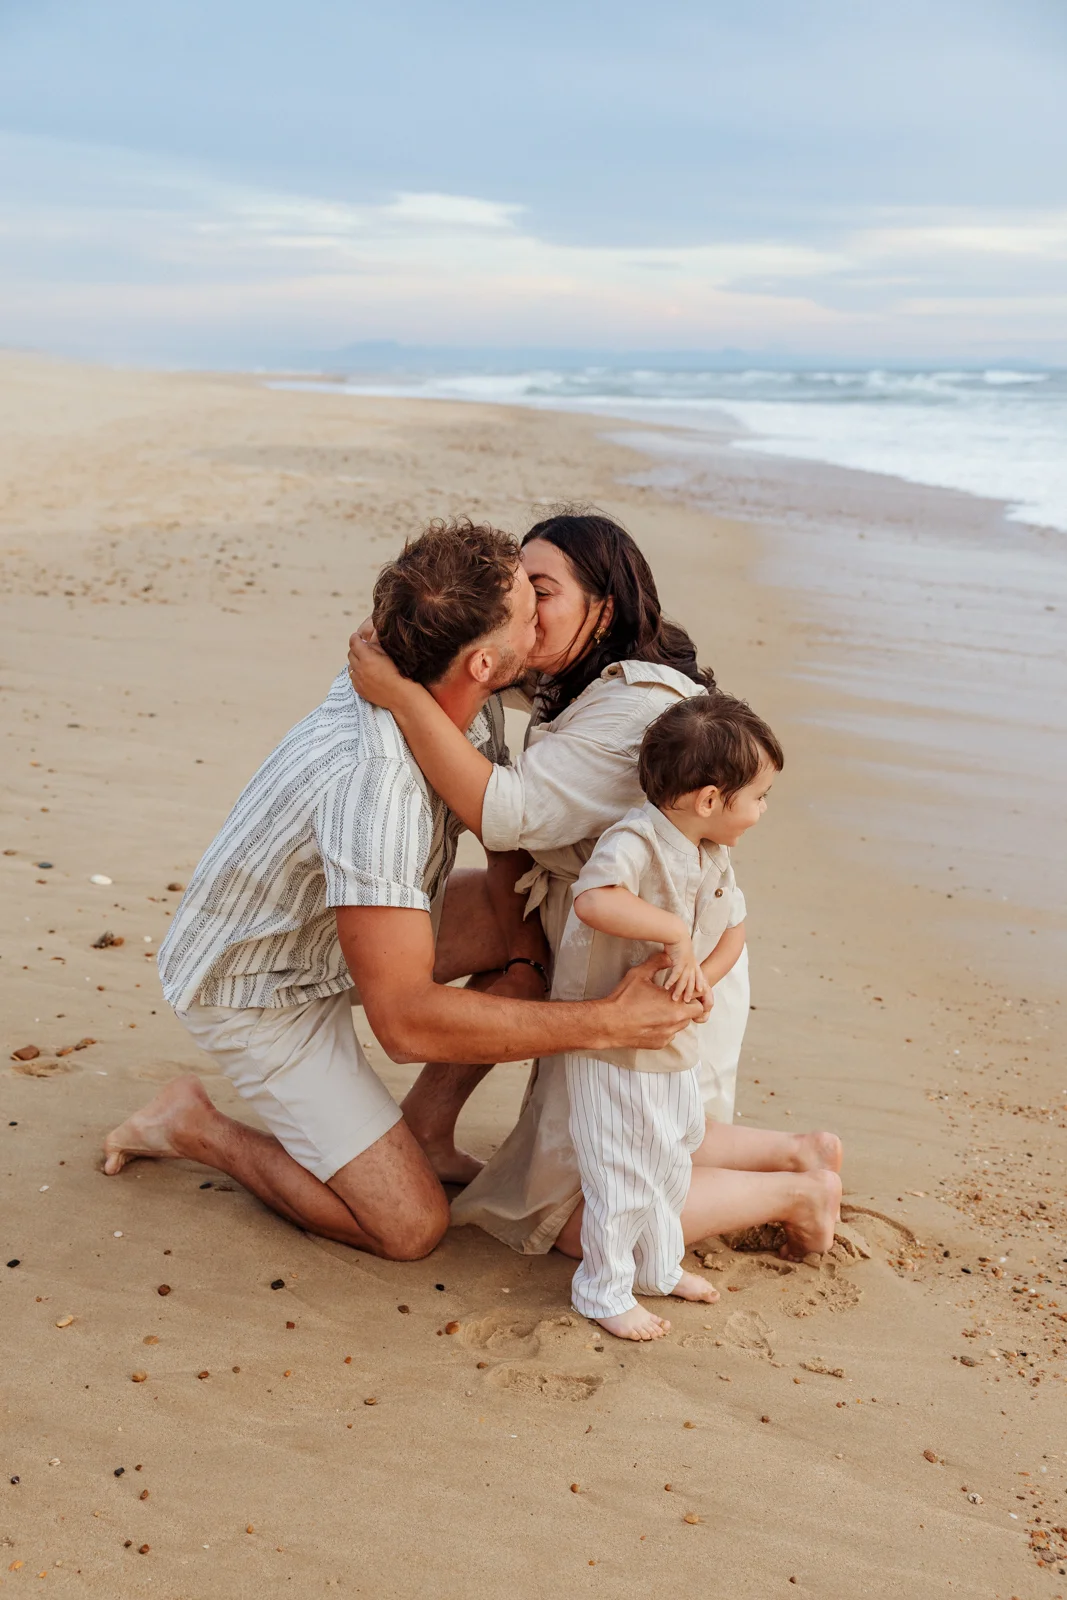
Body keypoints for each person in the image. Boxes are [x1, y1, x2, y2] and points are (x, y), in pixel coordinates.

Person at [102, 519, 703, 1262]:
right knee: (409, 1228)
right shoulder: (374, 786)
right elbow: (405, 1023)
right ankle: (193, 1124)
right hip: (260, 981)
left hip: (349, 920)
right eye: (528, 608)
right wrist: (608, 1022)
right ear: (485, 659)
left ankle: (424, 1131)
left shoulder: (444, 664)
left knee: (541, 927)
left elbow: (499, 822)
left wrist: (520, 956)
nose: (540, 621)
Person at [346, 509, 842, 1266]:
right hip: (587, 930)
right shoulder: (572, 683)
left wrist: (400, 696)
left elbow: (505, 813)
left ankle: (796, 1178)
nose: (521, 610)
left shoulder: (631, 707)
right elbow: (466, 660)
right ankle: (422, 1125)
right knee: (435, 940)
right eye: (516, 589)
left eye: (541, 591)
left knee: (592, 1213)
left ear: (602, 608)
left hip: (656, 961)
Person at [561, 692, 808, 1341]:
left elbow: (734, 929)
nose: (760, 812)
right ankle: (602, 1288)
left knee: (673, 1156)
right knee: (621, 1166)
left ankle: (656, 1265)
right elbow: (594, 899)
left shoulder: (711, 855)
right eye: (758, 796)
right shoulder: (636, 839)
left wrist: (704, 980)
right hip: (610, 1045)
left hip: (669, 1039)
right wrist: (673, 934)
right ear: (707, 799)